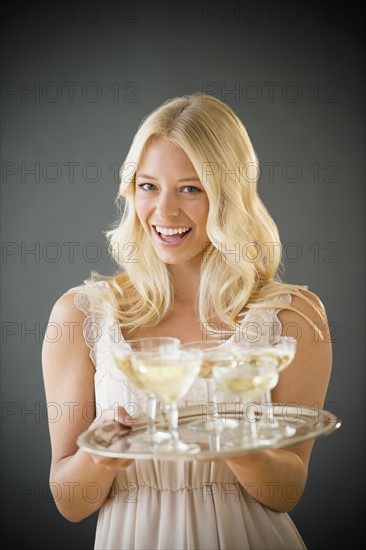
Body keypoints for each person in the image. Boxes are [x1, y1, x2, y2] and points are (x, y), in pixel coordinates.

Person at [42, 93, 332, 549]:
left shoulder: (292, 319)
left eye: (191, 188)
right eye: (149, 185)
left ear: (228, 196)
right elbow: (70, 502)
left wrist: (236, 443)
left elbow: (286, 494)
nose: (165, 211)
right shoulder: (80, 317)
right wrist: (101, 456)